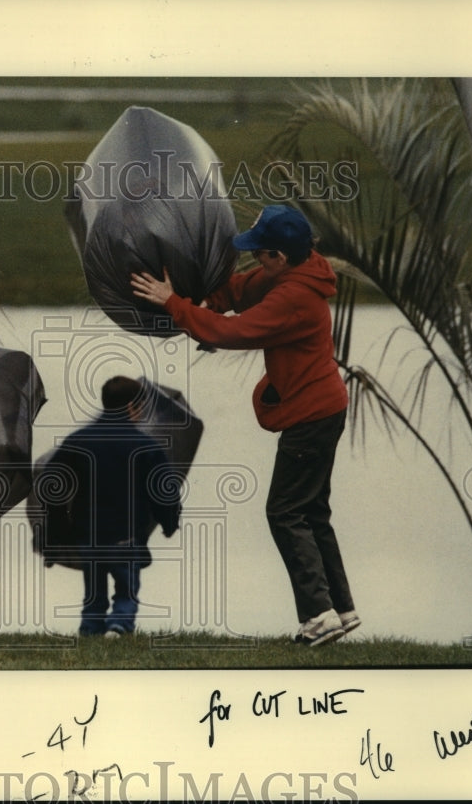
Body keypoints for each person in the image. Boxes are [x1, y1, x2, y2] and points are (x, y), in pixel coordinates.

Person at [131, 204, 359, 646]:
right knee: (312, 511)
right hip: (323, 408)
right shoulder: (298, 270)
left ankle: (319, 615)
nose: (255, 260)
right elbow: (239, 292)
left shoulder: (294, 296)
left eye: (260, 254)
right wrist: (203, 301)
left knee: (285, 512)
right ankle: (341, 609)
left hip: (311, 416)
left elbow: (233, 333)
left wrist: (173, 304)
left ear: (279, 255)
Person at [44, 376, 181, 638]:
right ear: (132, 407)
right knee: (126, 590)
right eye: (140, 407)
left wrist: (57, 530)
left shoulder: (78, 441)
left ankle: (91, 629)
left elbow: (51, 485)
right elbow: (165, 493)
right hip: (126, 536)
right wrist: (170, 522)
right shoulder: (146, 447)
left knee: (94, 593)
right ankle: (119, 625)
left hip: (89, 534)